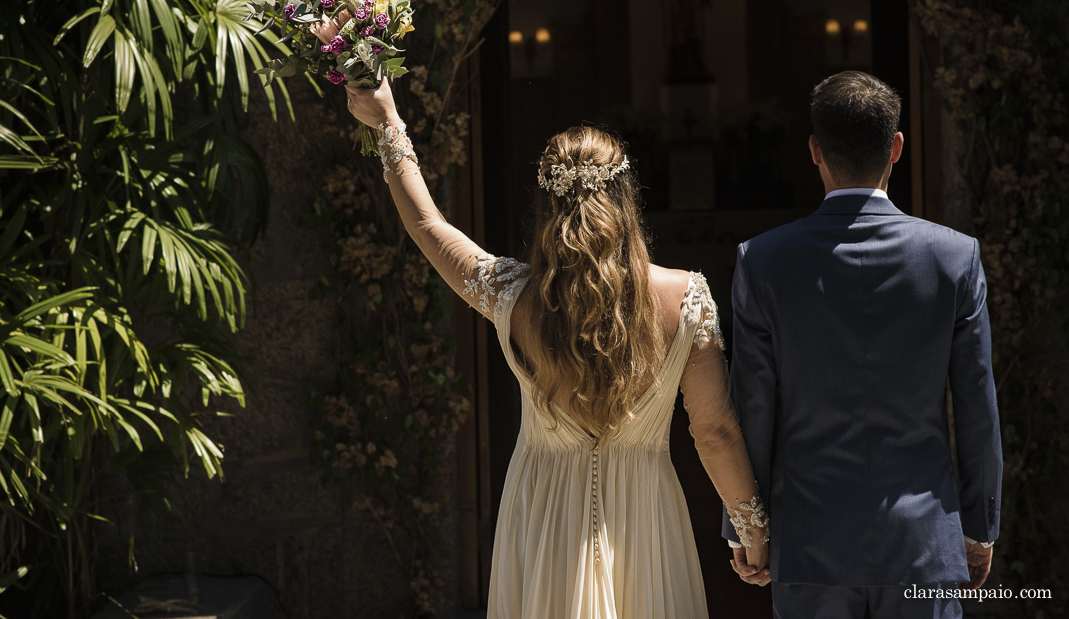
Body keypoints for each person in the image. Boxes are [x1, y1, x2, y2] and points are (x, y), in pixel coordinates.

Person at [345, 78, 769, 618]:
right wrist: (752, 530)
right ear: (626, 198)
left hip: (542, 519)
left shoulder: (511, 295)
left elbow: (429, 225)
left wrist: (388, 123)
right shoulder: (684, 296)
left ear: (547, 205)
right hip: (645, 518)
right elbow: (714, 431)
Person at [722, 70, 1002, 617]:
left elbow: (752, 406)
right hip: (924, 542)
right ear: (897, 148)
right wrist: (980, 527)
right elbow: (976, 405)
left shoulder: (763, 261)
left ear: (814, 151)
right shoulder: (954, 257)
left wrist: (744, 531)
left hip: (809, 544)